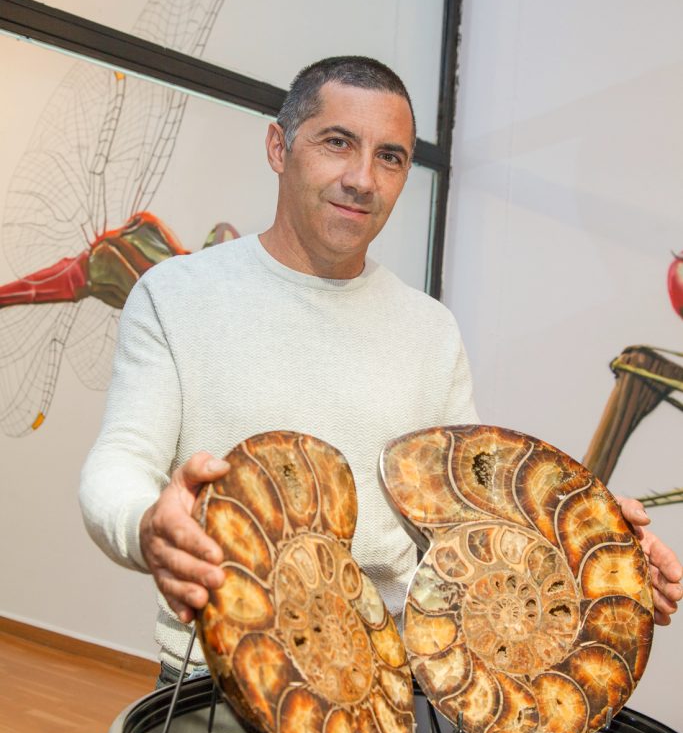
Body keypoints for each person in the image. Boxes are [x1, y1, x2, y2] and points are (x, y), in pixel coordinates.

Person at [79, 56, 682, 682]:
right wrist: (146, 525)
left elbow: (474, 514)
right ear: (278, 147)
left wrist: (595, 547)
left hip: (388, 695)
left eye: (389, 157)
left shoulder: (428, 329)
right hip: (219, 690)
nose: (362, 179)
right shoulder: (177, 295)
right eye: (337, 143)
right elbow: (118, 462)